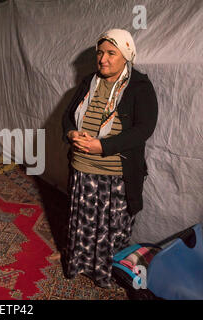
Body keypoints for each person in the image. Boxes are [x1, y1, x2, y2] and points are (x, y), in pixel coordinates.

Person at [61, 29, 158, 288]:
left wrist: (102, 146)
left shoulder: (139, 87)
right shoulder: (88, 82)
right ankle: (79, 264)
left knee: (108, 230)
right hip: (82, 170)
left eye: (111, 53)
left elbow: (143, 129)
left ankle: (105, 275)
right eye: (100, 52)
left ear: (126, 55)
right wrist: (72, 133)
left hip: (115, 176)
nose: (103, 59)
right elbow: (67, 116)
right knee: (82, 225)